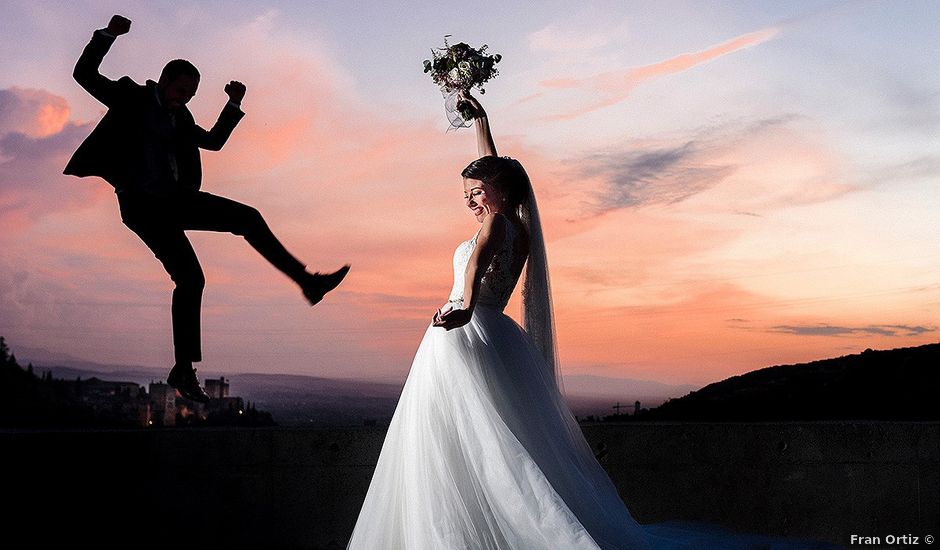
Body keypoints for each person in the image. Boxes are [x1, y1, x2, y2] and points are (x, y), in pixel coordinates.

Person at [344, 91, 652, 549]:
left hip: (464, 330)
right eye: (465, 194)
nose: (470, 199)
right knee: (489, 430)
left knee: (459, 435)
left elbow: (475, 266)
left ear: (500, 191)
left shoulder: (496, 224)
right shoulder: (516, 223)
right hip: (495, 334)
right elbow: (492, 166)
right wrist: (481, 121)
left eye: (476, 192)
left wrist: (464, 308)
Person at [64, 15, 349, 402]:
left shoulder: (180, 117)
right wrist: (108, 35)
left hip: (177, 201)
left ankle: (307, 283)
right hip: (142, 206)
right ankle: (185, 369)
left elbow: (213, 141)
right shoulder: (131, 97)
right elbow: (84, 73)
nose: (185, 98)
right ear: (164, 81)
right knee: (190, 279)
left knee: (246, 219)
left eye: (191, 94)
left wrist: (233, 104)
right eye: (181, 89)